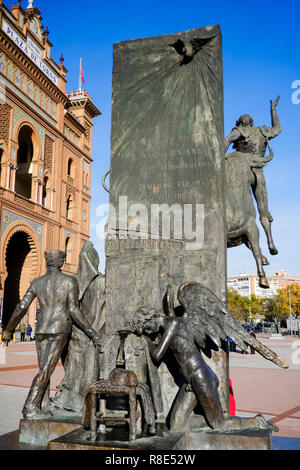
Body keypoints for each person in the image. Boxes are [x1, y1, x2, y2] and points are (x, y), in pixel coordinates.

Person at [132, 306, 280, 433]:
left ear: (149, 320)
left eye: (146, 328)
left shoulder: (173, 323)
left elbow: (157, 355)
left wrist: (146, 341)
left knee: (219, 425)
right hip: (191, 381)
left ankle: (256, 422)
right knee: (176, 426)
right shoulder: (171, 325)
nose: (149, 332)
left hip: (201, 377)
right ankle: (206, 426)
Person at [1, 250, 102, 420]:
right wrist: (92, 333)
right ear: (62, 261)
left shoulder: (37, 282)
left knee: (45, 368)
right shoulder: (69, 281)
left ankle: (45, 405)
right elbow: (73, 310)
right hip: (59, 329)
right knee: (46, 370)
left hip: (41, 330)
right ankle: (30, 406)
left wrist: (9, 328)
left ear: (47, 262)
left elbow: (22, 306)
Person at [224, 97, 281, 256]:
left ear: (240, 123)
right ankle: (270, 240)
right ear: (251, 122)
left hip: (244, 172)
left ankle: (240, 227)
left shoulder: (239, 131)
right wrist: (273, 110)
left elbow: (227, 140)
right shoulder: (262, 131)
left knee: (239, 199)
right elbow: (277, 128)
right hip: (259, 173)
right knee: (263, 208)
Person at [53, 242, 106, 412]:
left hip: (78, 333)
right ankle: (84, 403)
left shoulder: (73, 280)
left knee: (76, 368)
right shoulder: (101, 282)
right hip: (92, 333)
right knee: (84, 369)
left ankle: (77, 401)